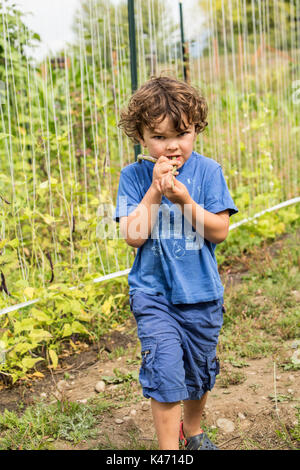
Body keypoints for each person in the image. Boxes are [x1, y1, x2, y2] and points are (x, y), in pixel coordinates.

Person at [113, 76, 238, 450]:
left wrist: (184, 200)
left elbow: (219, 231)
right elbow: (133, 235)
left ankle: (193, 433)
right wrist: (155, 190)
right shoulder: (134, 177)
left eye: (181, 134)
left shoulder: (208, 172)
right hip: (153, 297)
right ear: (140, 137)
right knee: (166, 372)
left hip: (201, 295)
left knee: (198, 374)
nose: (170, 147)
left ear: (196, 128)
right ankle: (169, 451)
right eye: (158, 137)